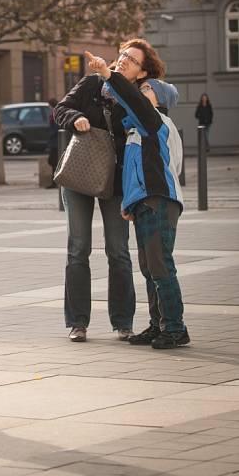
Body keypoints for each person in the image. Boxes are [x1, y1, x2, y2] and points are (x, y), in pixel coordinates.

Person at [55, 38, 165, 343]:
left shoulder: (137, 97)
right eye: (123, 55)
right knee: (78, 249)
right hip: (80, 174)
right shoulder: (92, 84)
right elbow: (61, 108)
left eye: (131, 59)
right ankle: (78, 322)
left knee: (118, 251)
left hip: (116, 182)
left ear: (142, 73)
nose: (123, 60)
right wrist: (75, 117)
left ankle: (122, 322)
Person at [85, 50, 190, 350]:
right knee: (148, 268)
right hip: (145, 202)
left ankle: (176, 328)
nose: (140, 95)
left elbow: (167, 169)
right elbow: (136, 170)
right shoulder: (136, 128)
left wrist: (108, 73)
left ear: (156, 98)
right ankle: (158, 324)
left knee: (160, 266)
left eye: (145, 91)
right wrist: (130, 203)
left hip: (159, 201)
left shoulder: (153, 121)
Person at [46, 98, 59, 189]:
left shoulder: (55, 114)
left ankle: (55, 182)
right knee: (53, 162)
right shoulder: (54, 113)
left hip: (55, 143)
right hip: (54, 142)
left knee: (53, 162)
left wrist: (51, 134)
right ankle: (54, 181)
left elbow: (56, 129)